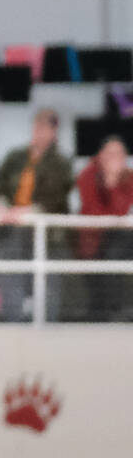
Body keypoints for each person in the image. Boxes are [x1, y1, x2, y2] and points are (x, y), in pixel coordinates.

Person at [0, 108, 74, 321]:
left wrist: (23, 212)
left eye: (45, 127)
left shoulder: (62, 163)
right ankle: (12, 326)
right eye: (37, 126)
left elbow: (54, 198)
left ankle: (46, 330)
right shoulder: (15, 157)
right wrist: (1, 208)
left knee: (47, 284)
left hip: (47, 234)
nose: (39, 131)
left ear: (54, 131)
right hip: (11, 229)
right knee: (10, 278)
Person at [72, 134, 133, 322]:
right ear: (101, 155)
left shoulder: (129, 178)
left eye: (119, 154)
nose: (115, 158)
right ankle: (100, 312)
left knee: (118, 245)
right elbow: (93, 212)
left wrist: (114, 182)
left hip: (120, 239)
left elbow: (123, 211)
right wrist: (110, 182)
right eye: (111, 153)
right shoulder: (88, 175)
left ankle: (115, 311)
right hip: (92, 237)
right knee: (107, 250)